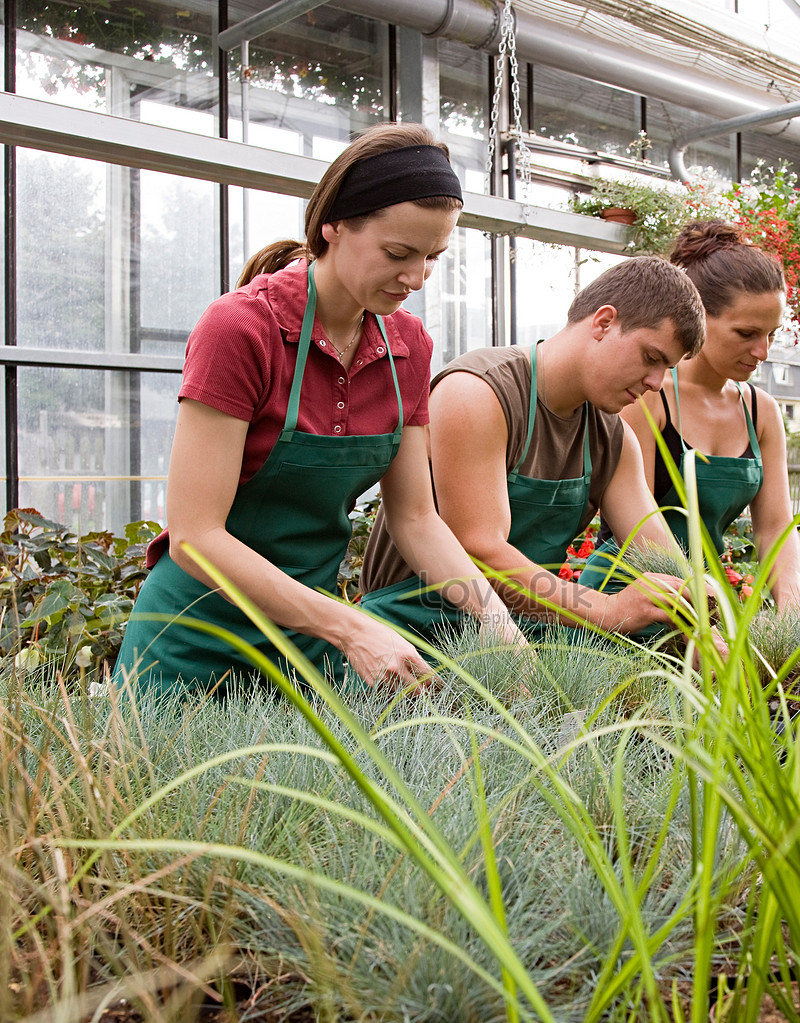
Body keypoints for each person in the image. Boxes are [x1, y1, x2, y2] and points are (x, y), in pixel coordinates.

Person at [116, 123, 522, 697]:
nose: (415, 278)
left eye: (433, 257)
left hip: (308, 638)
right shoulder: (241, 330)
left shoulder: (408, 344)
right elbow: (194, 535)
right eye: (397, 253)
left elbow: (415, 519)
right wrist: (350, 627)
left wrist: (497, 625)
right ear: (332, 225)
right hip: (194, 632)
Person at [358, 255, 711, 644]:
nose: (657, 383)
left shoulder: (614, 440)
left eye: (667, 369)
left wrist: (705, 632)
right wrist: (608, 610)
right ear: (604, 322)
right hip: (411, 634)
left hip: (525, 635)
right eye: (651, 357)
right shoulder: (479, 391)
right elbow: (478, 552)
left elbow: (660, 556)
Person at [580, 221, 800, 610]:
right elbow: (635, 524)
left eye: (772, 334)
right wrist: (699, 607)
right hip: (629, 596)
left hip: (704, 599)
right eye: (746, 333)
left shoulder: (761, 411)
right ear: (699, 317)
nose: (763, 351)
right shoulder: (647, 396)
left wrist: (794, 612)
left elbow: (775, 528)